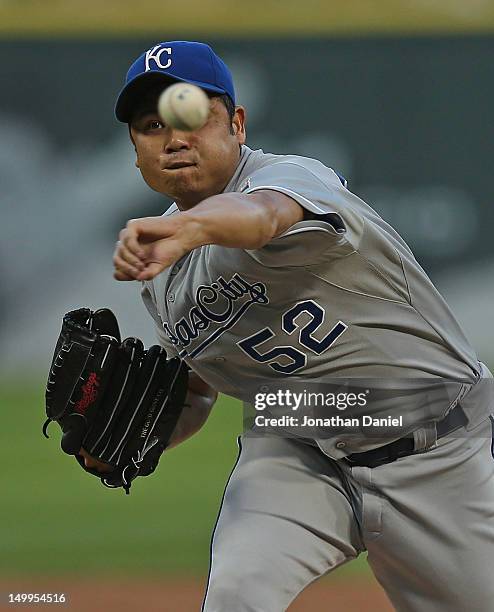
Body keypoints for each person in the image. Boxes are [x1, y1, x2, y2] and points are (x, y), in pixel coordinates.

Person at [87, 40, 494, 611]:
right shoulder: (164, 270)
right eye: (152, 126)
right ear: (135, 151)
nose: (174, 139)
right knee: (236, 597)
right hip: (297, 445)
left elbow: (262, 218)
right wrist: (133, 441)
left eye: (189, 117)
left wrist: (194, 229)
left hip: (435, 449)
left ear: (236, 124)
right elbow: (199, 389)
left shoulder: (292, 178)